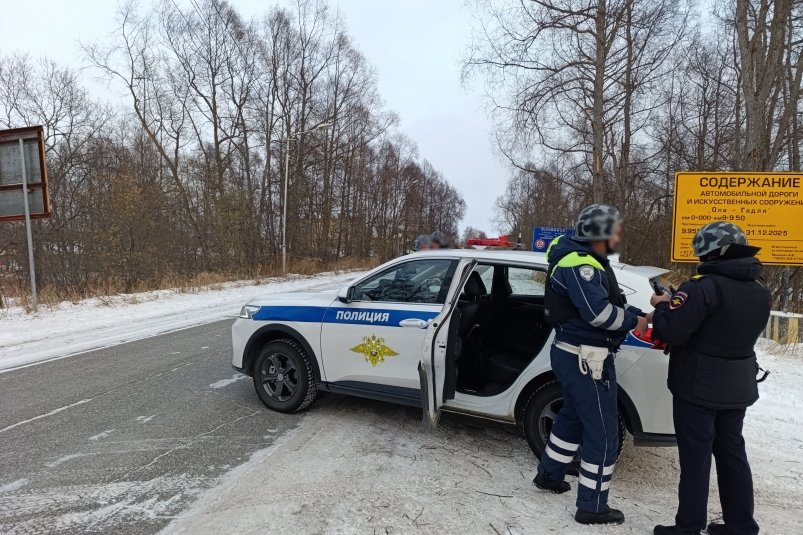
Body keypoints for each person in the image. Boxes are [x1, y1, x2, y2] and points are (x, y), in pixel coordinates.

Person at [651, 222, 770, 535]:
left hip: (698, 387)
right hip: (739, 384)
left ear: (708, 251)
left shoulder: (701, 288)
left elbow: (671, 332)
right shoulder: (760, 287)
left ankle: (688, 528)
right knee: (732, 453)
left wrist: (664, 306)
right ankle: (741, 525)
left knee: (696, 459)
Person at [534, 204, 649, 526]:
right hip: (587, 358)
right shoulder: (579, 265)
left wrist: (641, 312)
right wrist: (635, 322)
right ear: (600, 233)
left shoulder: (585, 261)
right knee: (604, 433)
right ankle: (593, 507)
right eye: (615, 230)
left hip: (581, 355)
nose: (618, 236)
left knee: (572, 416)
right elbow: (598, 314)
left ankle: (549, 474)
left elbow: (609, 303)